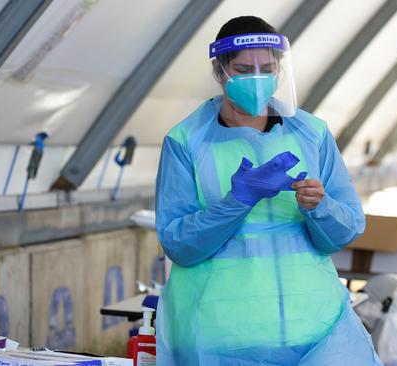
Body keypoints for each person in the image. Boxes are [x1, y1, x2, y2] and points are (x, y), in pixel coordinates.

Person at [155, 16, 382, 365]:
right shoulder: (186, 141)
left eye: (268, 68)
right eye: (244, 70)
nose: (258, 79)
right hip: (224, 340)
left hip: (316, 331)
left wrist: (319, 207)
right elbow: (179, 245)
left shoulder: (312, 133)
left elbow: (346, 230)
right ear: (220, 72)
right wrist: (237, 202)